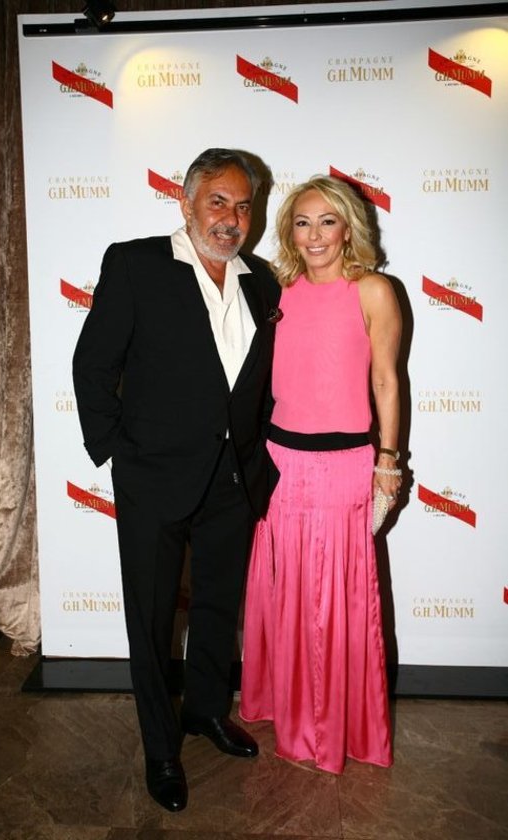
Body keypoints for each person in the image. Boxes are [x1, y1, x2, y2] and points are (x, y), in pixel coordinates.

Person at [72, 149, 280, 812]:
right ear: (186, 202)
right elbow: (92, 365)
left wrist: (258, 454)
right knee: (153, 618)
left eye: (242, 205)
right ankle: (161, 749)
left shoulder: (262, 281)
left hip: (233, 477)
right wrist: (117, 452)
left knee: (218, 605)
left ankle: (207, 711)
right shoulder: (135, 264)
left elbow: (259, 382)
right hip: (154, 477)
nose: (231, 218)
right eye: (217, 201)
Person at [240, 175, 402, 775]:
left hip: (345, 467)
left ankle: (336, 728)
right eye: (302, 222)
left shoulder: (373, 290)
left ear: (348, 229)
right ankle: (287, 713)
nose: (314, 235)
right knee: (285, 597)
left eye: (327, 221)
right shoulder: (275, 291)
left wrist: (389, 461)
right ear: (289, 232)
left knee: (338, 604)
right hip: (279, 464)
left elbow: (386, 379)